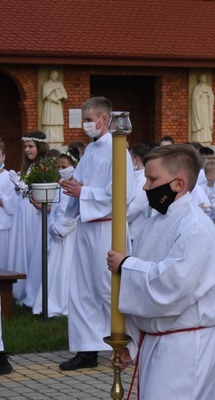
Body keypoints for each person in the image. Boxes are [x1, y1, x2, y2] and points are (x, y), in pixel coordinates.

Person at [107, 144, 215, 400]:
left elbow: (173, 284)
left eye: (151, 180)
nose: (145, 187)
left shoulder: (196, 227)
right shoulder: (155, 221)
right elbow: (146, 282)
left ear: (178, 184)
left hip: (186, 338)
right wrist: (130, 339)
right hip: (159, 338)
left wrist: (126, 265)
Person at [58, 97, 135, 371]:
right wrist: (72, 185)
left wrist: (83, 192)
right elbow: (81, 181)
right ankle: (87, 350)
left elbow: (123, 193)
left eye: (89, 119)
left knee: (107, 287)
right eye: (84, 120)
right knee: (81, 288)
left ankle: (129, 343)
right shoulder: (91, 149)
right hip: (87, 226)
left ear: (105, 119)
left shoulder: (118, 148)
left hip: (106, 226)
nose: (86, 125)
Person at [31, 148, 81, 317]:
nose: (61, 170)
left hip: (70, 235)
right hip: (56, 233)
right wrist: (52, 227)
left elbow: (77, 213)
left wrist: (62, 229)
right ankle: (49, 301)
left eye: (64, 166)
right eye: (59, 167)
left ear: (74, 166)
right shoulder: (59, 185)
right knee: (54, 268)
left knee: (67, 267)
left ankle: (64, 303)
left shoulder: (78, 186)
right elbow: (57, 209)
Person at [7, 130, 49, 304]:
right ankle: (20, 287)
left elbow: (40, 192)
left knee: (31, 247)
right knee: (21, 247)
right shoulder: (30, 166)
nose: (27, 150)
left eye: (31, 146)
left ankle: (32, 288)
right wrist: (19, 186)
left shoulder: (44, 166)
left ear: (40, 147)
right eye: (25, 146)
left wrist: (21, 185)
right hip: (23, 211)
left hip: (34, 212)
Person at [127, 143, 151, 244]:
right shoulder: (134, 176)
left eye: (129, 159)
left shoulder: (143, 179)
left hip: (135, 232)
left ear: (136, 161)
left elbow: (135, 208)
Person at [0, 139, 16, 272]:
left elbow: (13, 201)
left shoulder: (9, 176)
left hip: (4, 224)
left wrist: (2, 201)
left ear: (3, 156)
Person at [41, 70, 67, 146]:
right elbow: (44, 94)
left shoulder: (59, 84)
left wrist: (59, 96)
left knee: (57, 121)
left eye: (56, 76)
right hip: (49, 105)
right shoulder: (46, 83)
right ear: (50, 76)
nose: (55, 77)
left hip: (57, 106)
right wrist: (53, 88)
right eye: (54, 76)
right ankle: (48, 139)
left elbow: (65, 95)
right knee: (49, 121)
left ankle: (58, 140)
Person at [191, 74, 215, 144]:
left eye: (205, 77)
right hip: (200, 107)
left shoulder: (208, 87)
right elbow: (194, 97)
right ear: (200, 78)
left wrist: (209, 95)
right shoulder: (197, 87)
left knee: (206, 123)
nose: (204, 78)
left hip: (207, 107)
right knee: (201, 121)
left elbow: (212, 97)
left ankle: (206, 138)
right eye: (203, 77)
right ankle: (198, 138)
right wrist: (201, 93)